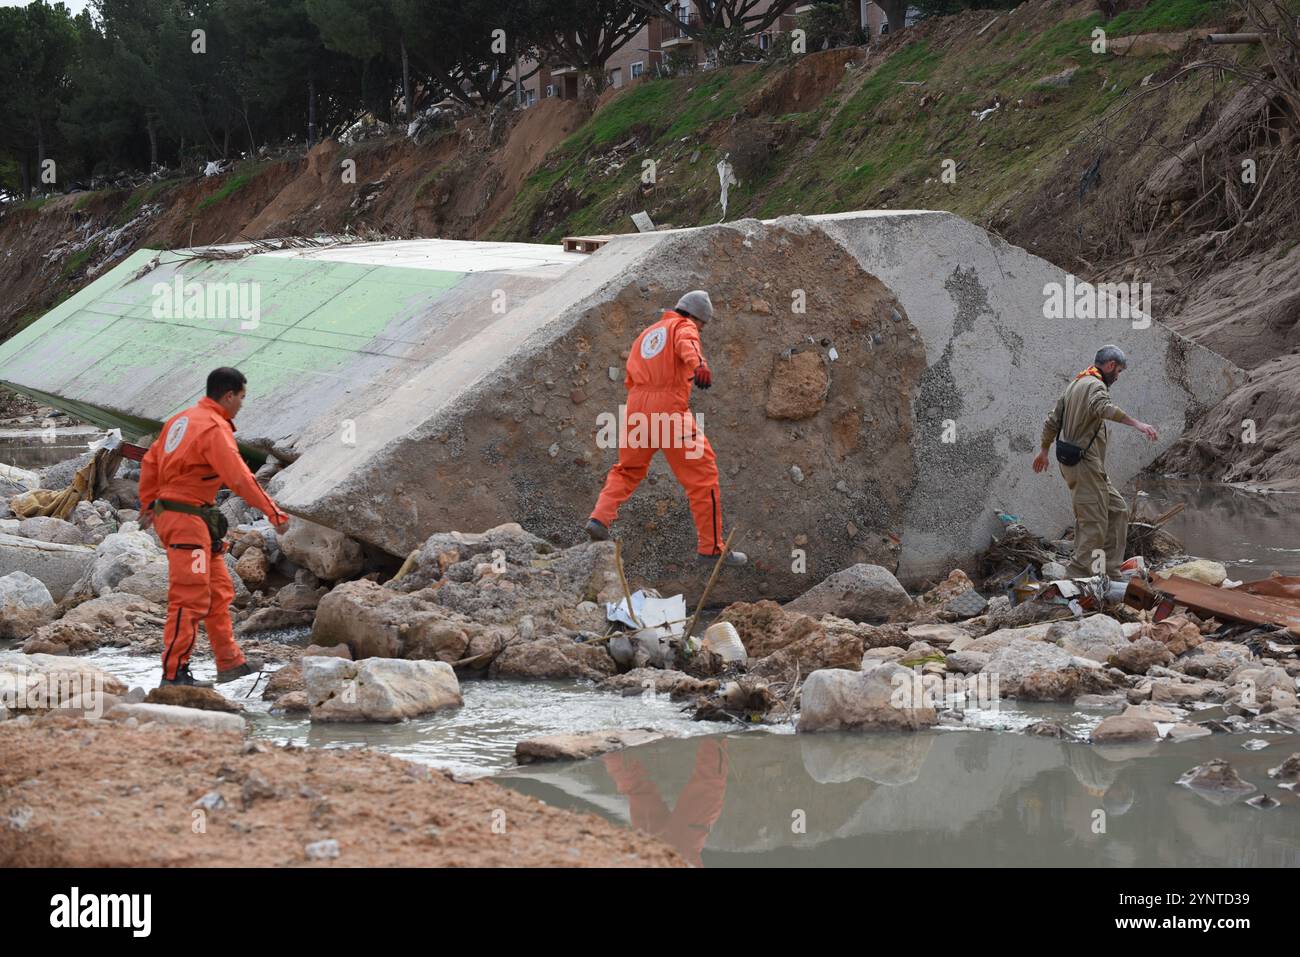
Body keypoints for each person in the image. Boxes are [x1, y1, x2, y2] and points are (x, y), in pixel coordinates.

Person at [139, 367, 289, 687]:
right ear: (229, 395)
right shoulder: (212, 428)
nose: (242, 406)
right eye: (242, 398)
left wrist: (149, 504)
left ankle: (230, 662)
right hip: (187, 523)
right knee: (190, 596)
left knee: (219, 590)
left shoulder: (181, 420)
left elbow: (151, 461)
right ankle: (174, 675)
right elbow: (239, 477)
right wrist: (273, 513)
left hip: (193, 520)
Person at [586, 290, 746, 566]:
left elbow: (631, 375)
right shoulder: (683, 327)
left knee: (627, 470)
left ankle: (599, 519)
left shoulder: (647, 334)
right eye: (702, 325)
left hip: (636, 409)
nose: (700, 330)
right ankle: (711, 549)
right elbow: (689, 343)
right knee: (703, 475)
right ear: (695, 317)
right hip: (669, 410)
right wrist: (701, 364)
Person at [1033, 345, 1158, 577]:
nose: (1118, 377)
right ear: (1110, 365)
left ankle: (1109, 570)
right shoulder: (1094, 385)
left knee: (1117, 510)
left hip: (1089, 465)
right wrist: (1138, 424)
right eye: (1118, 371)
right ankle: (1078, 574)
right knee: (1093, 519)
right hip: (1083, 464)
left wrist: (1043, 451)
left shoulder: (1076, 383)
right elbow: (1103, 407)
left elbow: (1051, 421)